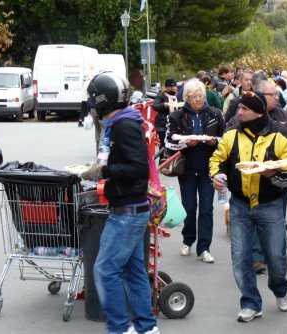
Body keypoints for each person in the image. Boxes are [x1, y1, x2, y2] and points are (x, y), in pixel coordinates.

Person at [209, 91, 287, 322]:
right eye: (239, 108)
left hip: (270, 205)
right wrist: (217, 176)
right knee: (240, 257)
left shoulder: (281, 135)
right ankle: (250, 302)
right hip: (239, 205)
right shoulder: (231, 134)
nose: (238, 112)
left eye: (244, 109)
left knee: (276, 258)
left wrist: (274, 172)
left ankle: (279, 289)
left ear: (258, 112)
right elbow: (217, 159)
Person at [82, 72, 159, 334]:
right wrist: (101, 169)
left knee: (104, 270)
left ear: (102, 100)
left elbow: (138, 168)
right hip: (133, 209)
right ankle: (146, 328)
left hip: (127, 211)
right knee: (133, 270)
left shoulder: (124, 126)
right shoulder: (124, 122)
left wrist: (105, 172)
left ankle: (119, 328)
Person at [165, 79, 225, 263]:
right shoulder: (176, 117)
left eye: (201, 96)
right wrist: (185, 142)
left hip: (209, 169)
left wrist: (215, 141)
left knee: (207, 209)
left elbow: (226, 138)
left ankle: (204, 248)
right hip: (188, 169)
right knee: (189, 208)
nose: (199, 99)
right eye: (194, 96)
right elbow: (168, 141)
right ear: (187, 98)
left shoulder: (215, 114)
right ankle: (187, 240)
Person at [153, 78, 179, 149]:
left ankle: (169, 159)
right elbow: (155, 106)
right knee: (164, 143)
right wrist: (164, 105)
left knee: (171, 143)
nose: (176, 88)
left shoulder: (175, 96)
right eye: (174, 86)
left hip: (172, 123)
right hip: (162, 123)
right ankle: (162, 159)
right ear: (170, 87)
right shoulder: (161, 95)